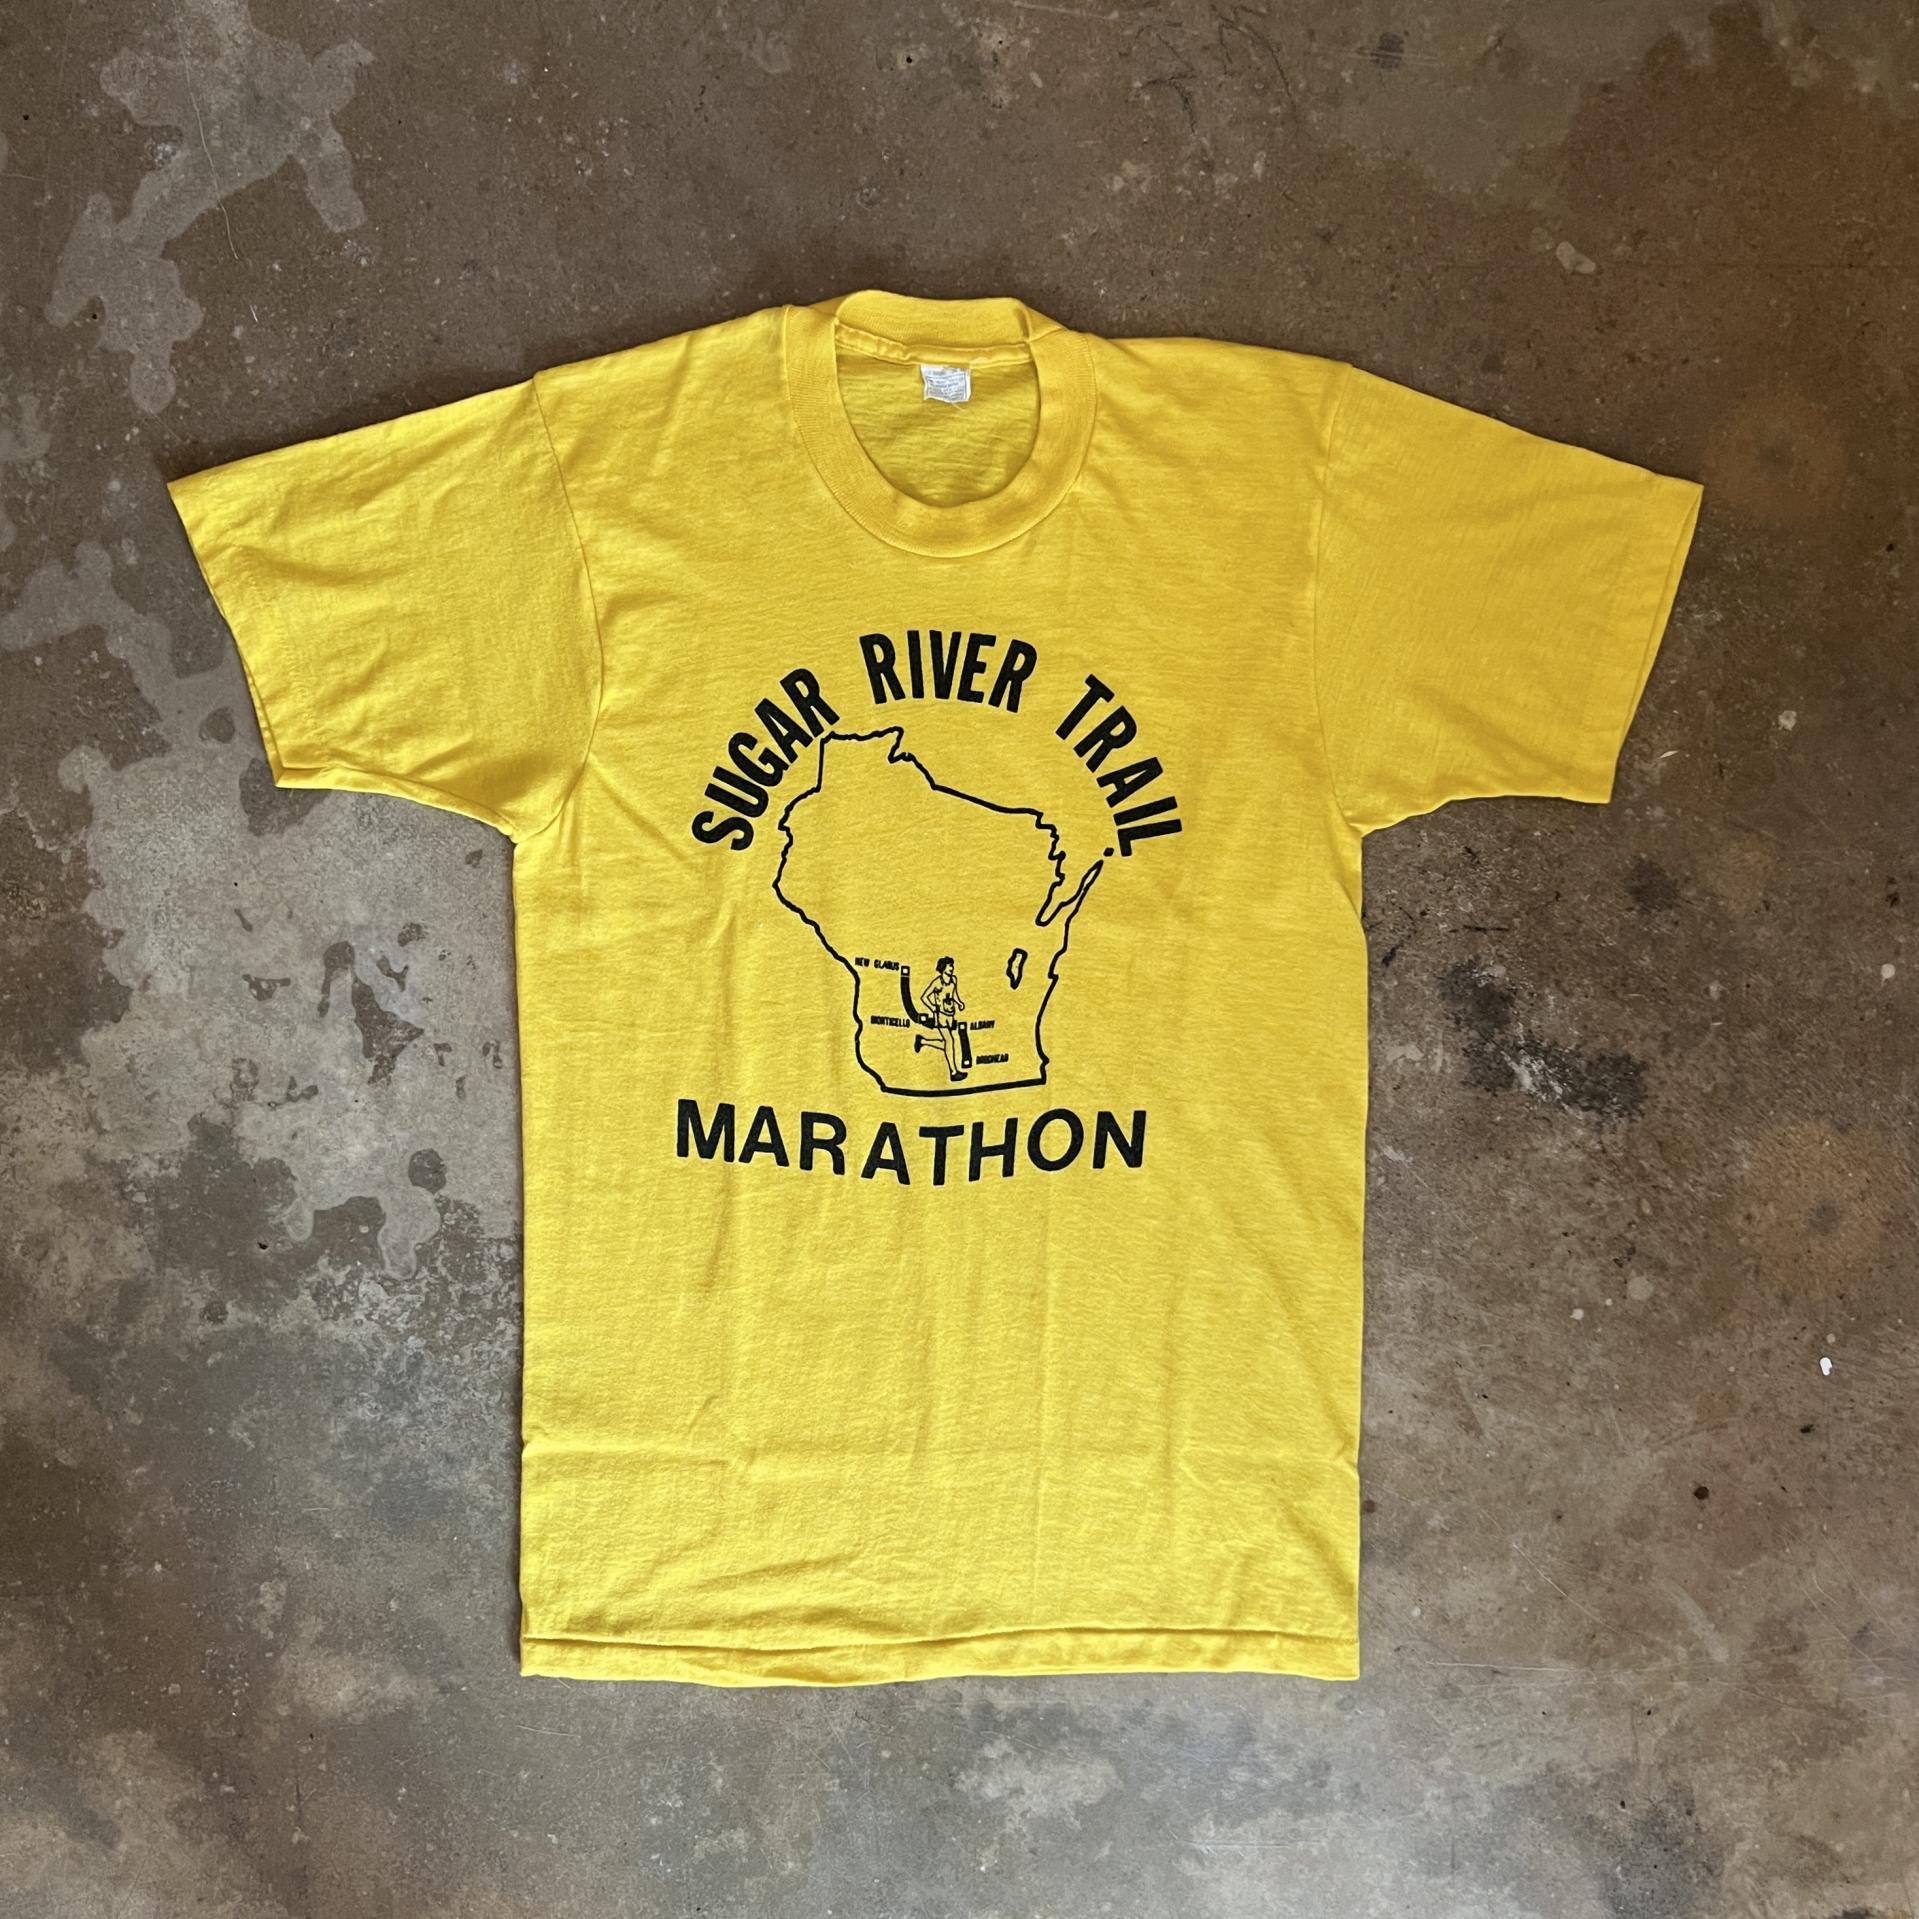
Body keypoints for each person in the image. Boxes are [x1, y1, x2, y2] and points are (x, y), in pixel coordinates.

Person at [914, 956, 968, 1082]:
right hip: (941, 1016)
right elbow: (924, 997)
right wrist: (933, 1008)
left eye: (952, 966)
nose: (952, 968)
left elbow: (954, 994)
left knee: (947, 1044)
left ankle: (922, 1041)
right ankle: (954, 1072)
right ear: (943, 968)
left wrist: (959, 1003)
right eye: (949, 966)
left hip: (950, 1015)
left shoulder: (954, 980)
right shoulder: (937, 983)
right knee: (950, 1041)